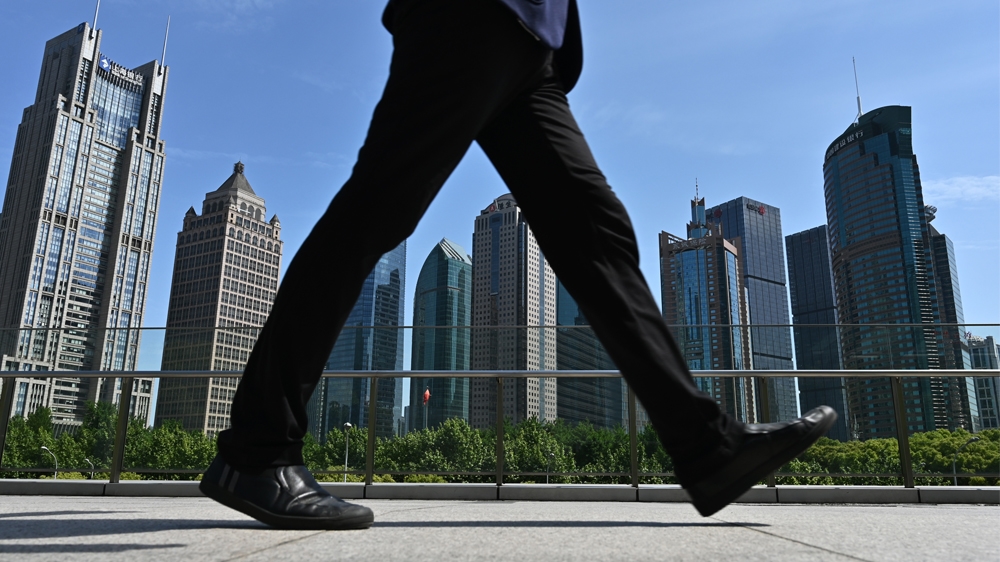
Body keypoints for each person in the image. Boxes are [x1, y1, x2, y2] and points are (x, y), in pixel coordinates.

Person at [199, 0, 836, 530]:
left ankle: (708, 447)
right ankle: (258, 449)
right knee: (374, 214)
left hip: (534, 48)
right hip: (470, 15)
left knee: (596, 230)